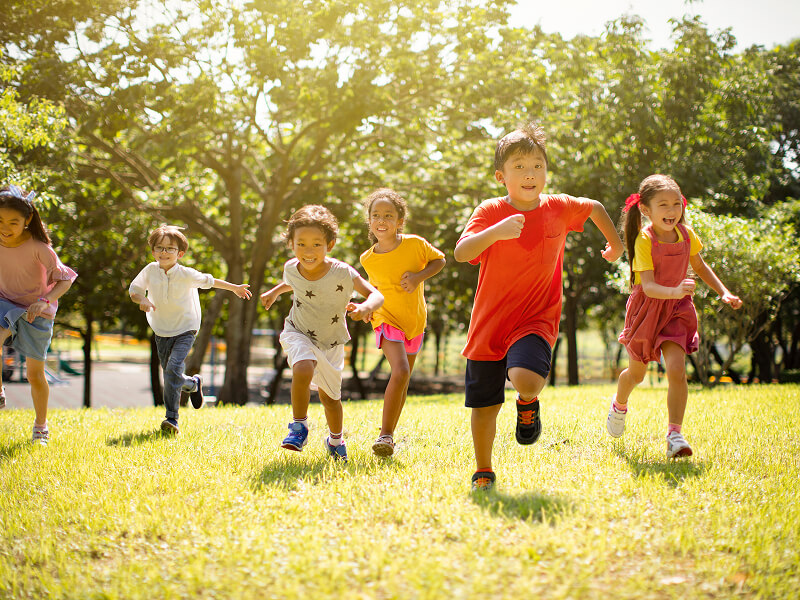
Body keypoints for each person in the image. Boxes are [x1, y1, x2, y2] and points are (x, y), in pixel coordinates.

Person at [453, 123, 624, 491]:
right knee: (484, 405)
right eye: (519, 166)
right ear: (501, 176)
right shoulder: (489, 210)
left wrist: (616, 245)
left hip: (535, 318)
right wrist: (494, 232)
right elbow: (461, 252)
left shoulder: (558, 207)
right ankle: (484, 470)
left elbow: (593, 207)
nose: (530, 174)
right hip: (488, 324)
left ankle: (527, 401)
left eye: (537, 166)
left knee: (527, 378)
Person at [607, 174, 742, 457]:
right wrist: (677, 289)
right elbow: (649, 286)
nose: (671, 211)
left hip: (677, 310)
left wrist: (724, 292)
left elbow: (701, 267)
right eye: (663, 205)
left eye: (676, 204)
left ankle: (675, 434)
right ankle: (619, 404)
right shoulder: (645, 240)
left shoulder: (687, 234)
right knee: (636, 374)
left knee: (677, 371)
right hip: (648, 310)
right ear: (646, 210)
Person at [261, 205, 383, 463]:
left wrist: (365, 307)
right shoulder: (291, 268)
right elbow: (293, 283)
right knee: (303, 367)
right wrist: (274, 292)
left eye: (317, 245)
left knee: (330, 399)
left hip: (331, 340)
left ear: (330, 244)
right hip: (298, 330)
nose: (308, 251)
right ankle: (298, 427)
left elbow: (376, 294)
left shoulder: (343, 272)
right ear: (291, 244)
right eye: (301, 244)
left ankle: (335, 440)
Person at [129, 224, 252, 434]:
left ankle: (171, 419)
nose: (164, 252)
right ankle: (193, 384)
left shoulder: (186, 274)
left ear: (180, 253)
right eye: (159, 248)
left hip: (186, 328)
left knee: (172, 370)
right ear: (153, 251)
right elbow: (134, 290)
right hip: (161, 330)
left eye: (170, 249)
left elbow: (211, 281)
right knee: (171, 373)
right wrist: (143, 300)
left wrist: (235, 288)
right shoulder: (150, 270)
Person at [359, 188, 445, 456]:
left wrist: (419, 276)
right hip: (385, 318)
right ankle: (384, 435)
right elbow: (371, 289)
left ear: (400, 221)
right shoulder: (367, 259)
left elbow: (439, 260)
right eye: (376, 215)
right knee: (401, 371)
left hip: (414, 320)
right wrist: (363, 307)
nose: (381, 220)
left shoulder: (415, 244)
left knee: (403, 377)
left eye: (388, 215)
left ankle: (389, 438)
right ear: (370, 221)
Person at [0, 185, 78, 444]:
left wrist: (45, 301)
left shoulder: (39, 248)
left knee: (34, 375)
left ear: (27, 220)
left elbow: (65, 280)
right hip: (5, 301)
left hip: (37, 311)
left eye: (13, 222)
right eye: (0, 220)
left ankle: (41, 426)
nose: (6, 228)